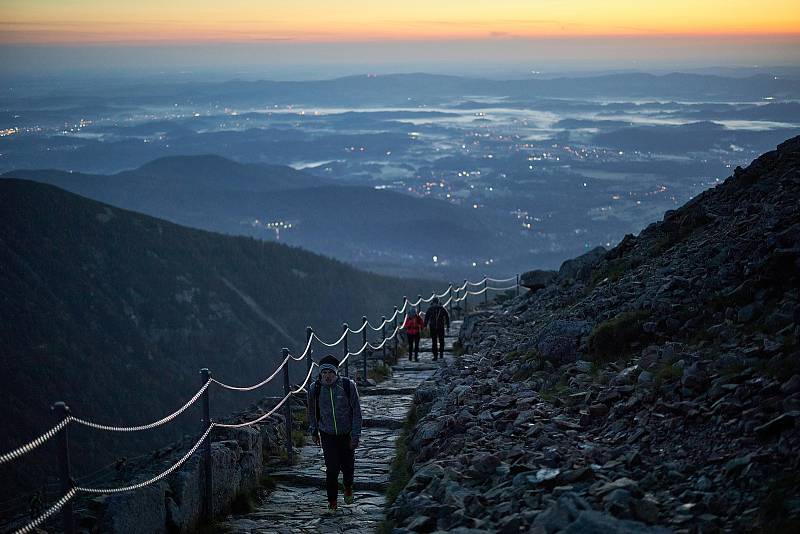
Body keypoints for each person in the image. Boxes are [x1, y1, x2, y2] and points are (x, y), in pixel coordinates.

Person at [307, 354, 362, 515]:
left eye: (330, 372)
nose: (327, 376)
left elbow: (357, 412)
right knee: (331, 469)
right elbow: (311, 412)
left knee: (348, 466)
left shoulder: (347, 386)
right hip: (327, 434)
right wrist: (314, 431)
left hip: (346, 433)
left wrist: (355, 436)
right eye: (324, 373)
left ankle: (348, 487)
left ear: (336, 373)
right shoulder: (314, 389)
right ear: (320, 374)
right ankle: (332, 502)